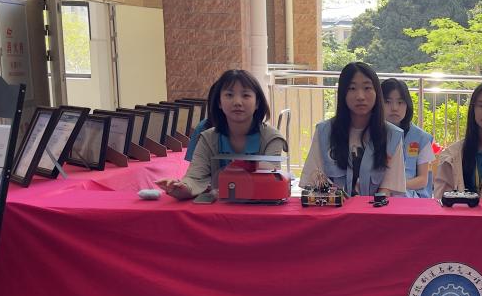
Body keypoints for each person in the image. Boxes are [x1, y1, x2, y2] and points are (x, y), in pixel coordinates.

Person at [157, 69, 286, 200]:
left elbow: (271, 181)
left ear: (257, 102)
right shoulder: (207, 138)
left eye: (246, 95)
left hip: (259, 210)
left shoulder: (272, 138)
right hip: (219, 210)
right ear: (219, 102)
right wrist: (180, 188)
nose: (237, 102)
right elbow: (194, 179)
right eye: (229, 95)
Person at [300, 62, 405, 196]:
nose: (360, 96)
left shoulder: (392, 136)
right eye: (352, 88)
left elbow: (388, 189)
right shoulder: (324, 132)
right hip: (333, 207)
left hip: (375, 208)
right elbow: (312, 181)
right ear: (343, 93)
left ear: (377, 92)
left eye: (367, 88)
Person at [433, 82, 482, 199]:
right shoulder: (451, 156)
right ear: (473, 109)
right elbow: (441, 200)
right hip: (460, 211)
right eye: (481, 106)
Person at [381, 78, 434, 198]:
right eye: (387, 102)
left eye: (400, 102)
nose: (394, 108)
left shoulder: (421, 137)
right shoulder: (370, 134)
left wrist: (394, 186)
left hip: (409, 196)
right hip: (376, 194)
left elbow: (422, 180)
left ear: (407, 105)